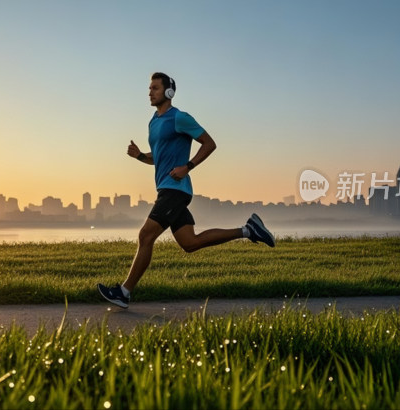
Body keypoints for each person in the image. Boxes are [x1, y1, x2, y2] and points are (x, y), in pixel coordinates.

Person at [97, 72, 275, 309]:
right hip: (166, 190)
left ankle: (124, 292)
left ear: (169, 92)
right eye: (149, 88)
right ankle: (248, 230)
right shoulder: (153, 121)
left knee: (145, 236)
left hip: (176, 190)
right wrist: (140, 155)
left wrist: (188, 167)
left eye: (155, 88)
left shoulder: (179, 117)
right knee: (190, 243)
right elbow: (158, 158)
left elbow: (209, 143)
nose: (150, 92)